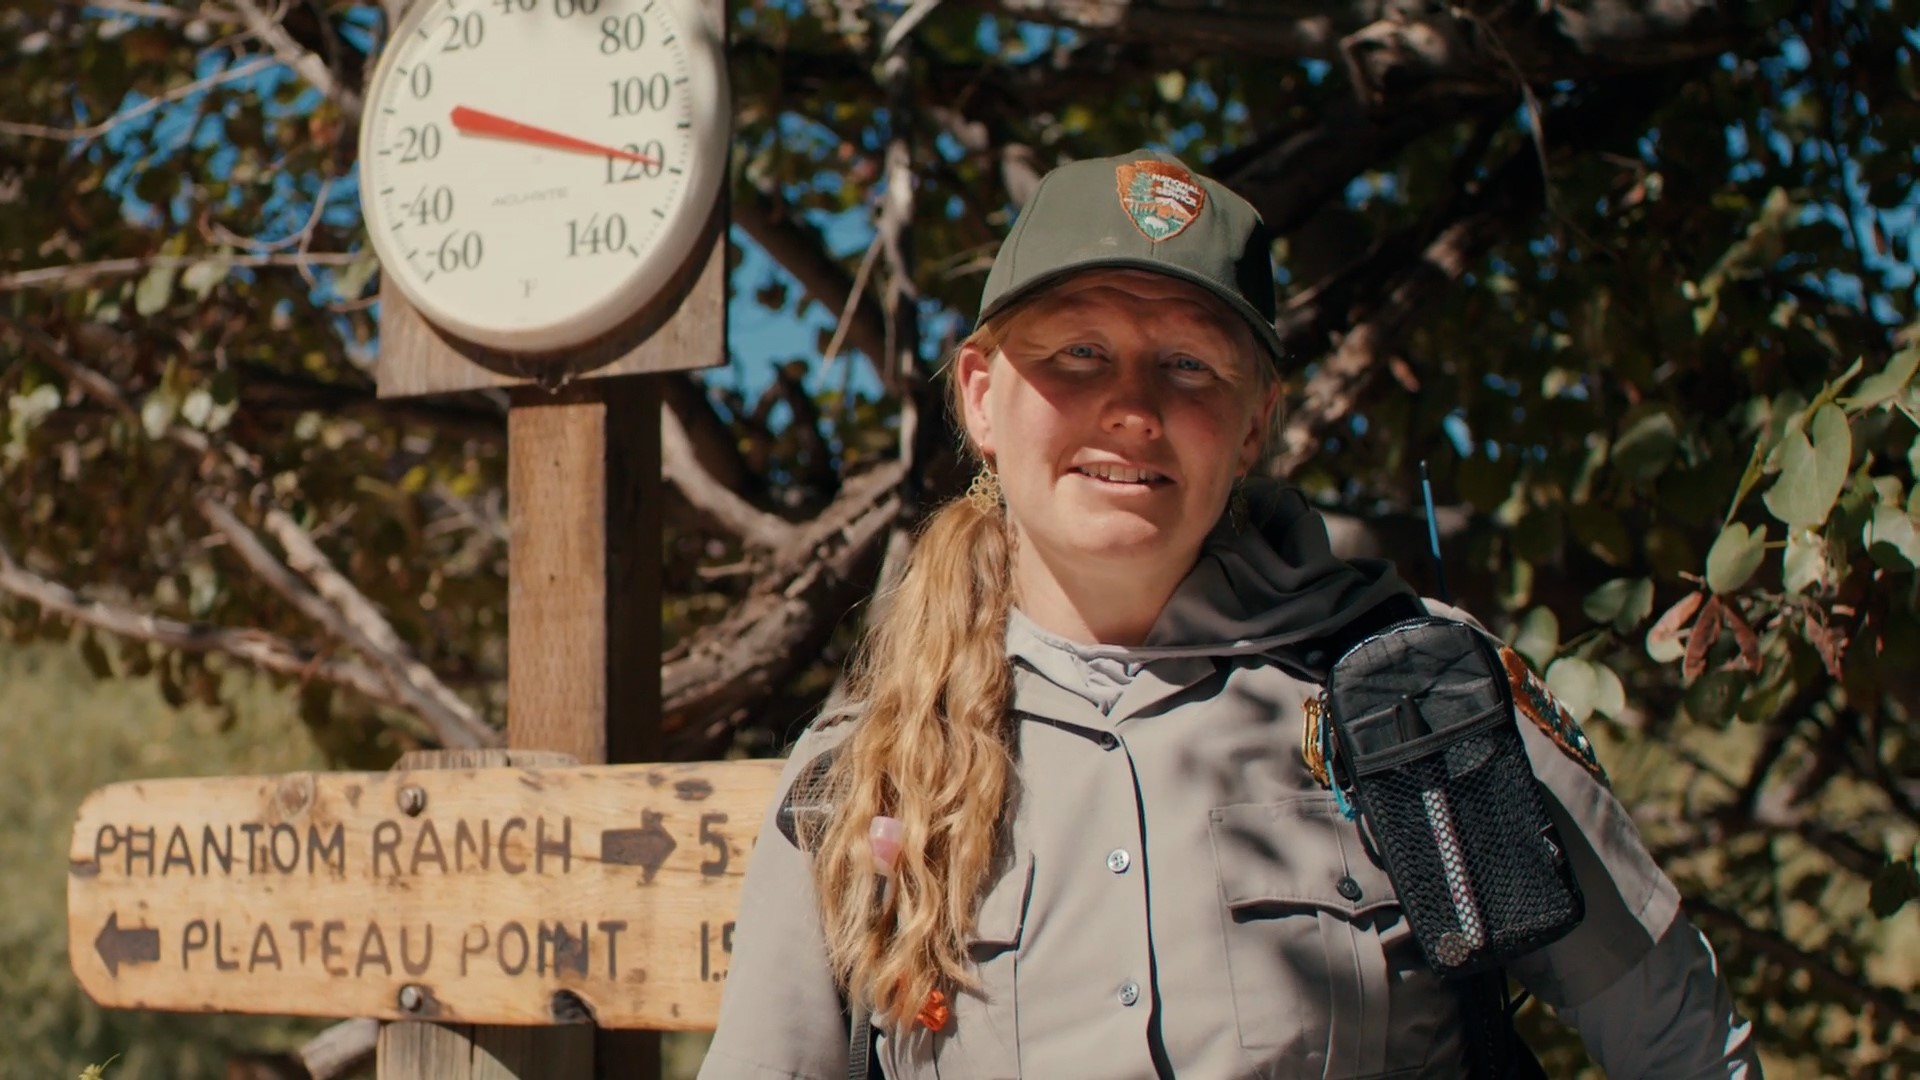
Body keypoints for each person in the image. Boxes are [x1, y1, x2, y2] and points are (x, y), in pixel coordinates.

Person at [700, 149, 1760, 1079]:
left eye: (1188, 365)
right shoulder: (867, 770)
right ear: (981, 394)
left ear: (1254, 426)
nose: (1132, 408)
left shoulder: (1419, 705)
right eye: (1077, 351)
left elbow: (1684, 1047)